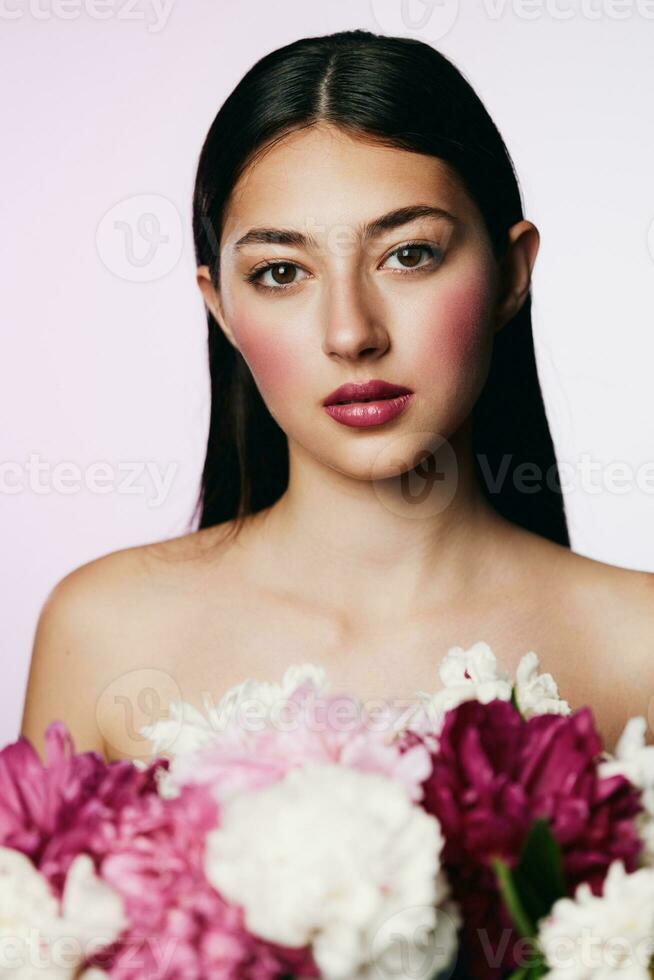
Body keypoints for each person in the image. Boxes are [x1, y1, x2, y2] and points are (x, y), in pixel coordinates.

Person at [21, 29, 654, 764]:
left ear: (513, 273)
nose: (351, 333)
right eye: (282, 272)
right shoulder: (102, 631)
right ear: (220, 306)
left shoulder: (637, 647)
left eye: (409, 255)